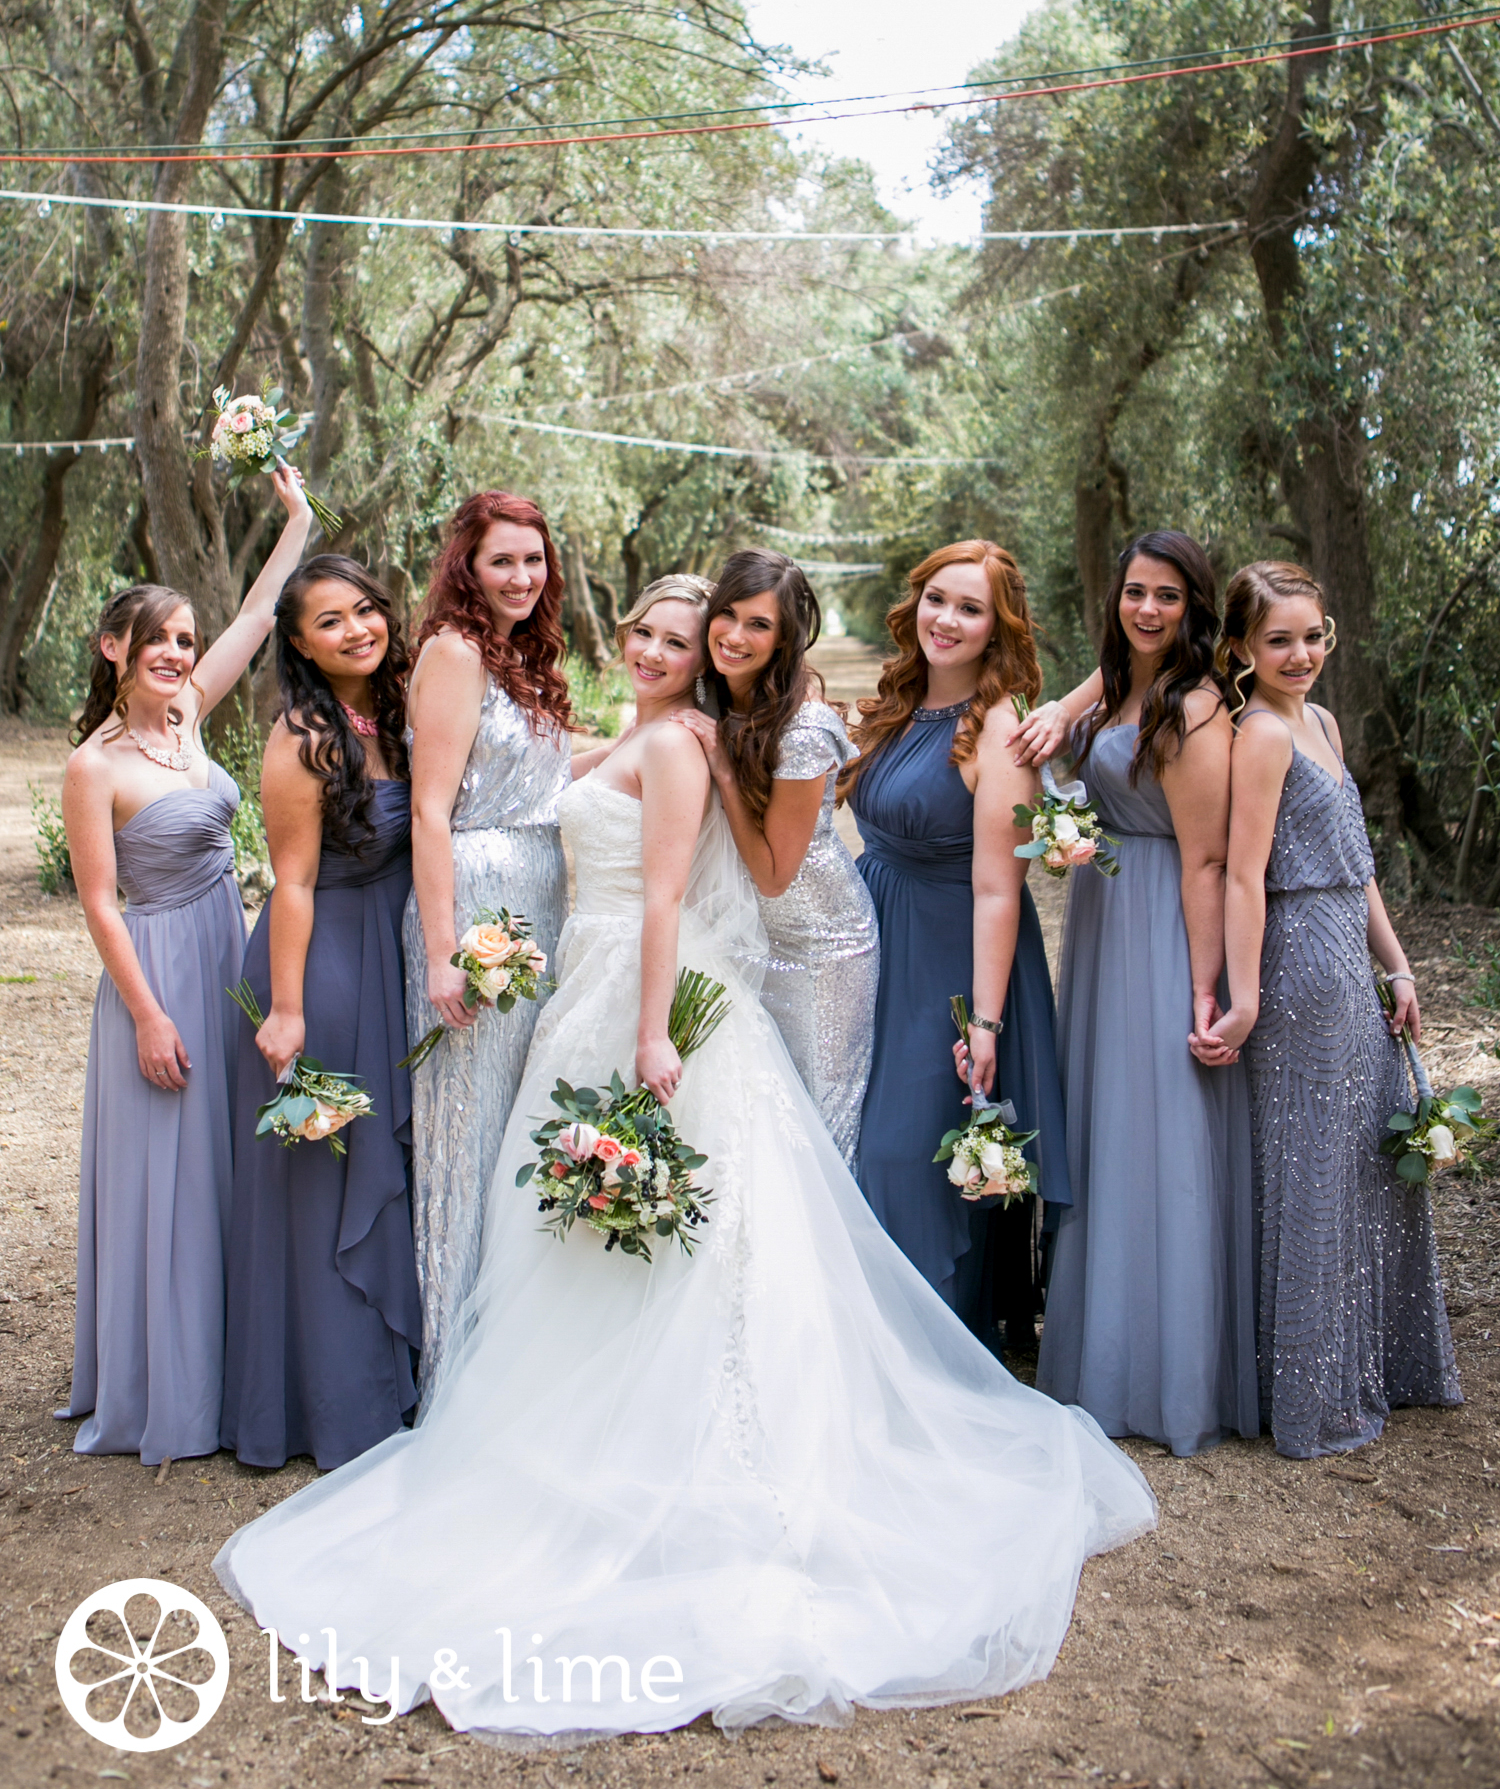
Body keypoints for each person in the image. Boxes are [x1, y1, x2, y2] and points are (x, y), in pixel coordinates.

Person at [213, 573, 1155, 1738]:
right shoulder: (638, 734)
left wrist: (655, 1034)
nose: (663, 650)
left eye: (683, 636)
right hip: (588, 989)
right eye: (651, 633)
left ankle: (690, 1451)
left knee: (694, 1236)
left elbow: (669, 897)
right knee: (588, 1233)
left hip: (652, 999)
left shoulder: (681, 747)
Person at [59, 469, 314, 1464]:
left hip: (228, 950)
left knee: (225, 1164)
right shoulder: (95, 766)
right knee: (166, 1175)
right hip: (156, 966)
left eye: (184, 640)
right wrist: (148, 1016)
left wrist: (298, 520)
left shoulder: (190, 718)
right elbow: (95, 900)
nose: (175, 653)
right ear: (112, 649)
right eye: (157, 638)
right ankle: (162, 1384)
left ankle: (231, 1356)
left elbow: (259, 611)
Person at [1196, 560, 1460, 1457]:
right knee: (1313, 1162)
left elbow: (1360, 863)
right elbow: (1243, 871)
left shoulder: (1323, 722)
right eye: (1278, 640)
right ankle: (1308, 1387)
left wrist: (1400, 968)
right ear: (1241, 649)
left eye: (1313, 636)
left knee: (1363, 1158)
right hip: (1301, 959)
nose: (1301, 654)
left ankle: (1381, 1358)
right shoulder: (1262, 734)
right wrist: (1247, 995)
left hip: (1352, 945)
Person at [1022, 533, 1259, 1457]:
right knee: (1108, 1127)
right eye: (1134, 592)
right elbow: (1095, 705)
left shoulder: (1197, 709)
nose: (1149, 609)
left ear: (1196, 607)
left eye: (1167, 596)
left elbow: (1205, 859)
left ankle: (1164, 1371)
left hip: (1162, 929)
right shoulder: (1122, 685)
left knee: (1159, 1132)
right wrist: (1070, 703)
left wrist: (1204, 987)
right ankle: (1098, 1349)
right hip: (1102, 921)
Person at [220, 556, 422, 1471]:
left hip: (388, 946)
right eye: (330, 621)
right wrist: (290, 1011)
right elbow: (292, 883)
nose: (357, 630)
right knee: (328, 1179)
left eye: (366, 610)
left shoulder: (394, 713)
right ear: (298, 643)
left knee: (391, 1164)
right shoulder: (301, 736)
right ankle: (327, 1406)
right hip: (325, 960)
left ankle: (391, 1378)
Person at [842, 540, 1068, 1354]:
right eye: (938, 599)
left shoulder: (998, 730)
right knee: (854, 1138)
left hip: (952, 961)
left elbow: (998, 887)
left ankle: (931, 1348)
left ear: (997, 627)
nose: (947, 619)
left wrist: (985, 1023)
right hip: (875, 944)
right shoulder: (899, 702)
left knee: (906, 1154)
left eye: (971, 608)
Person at [403, 491, 576, 1404]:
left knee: (516, 1116)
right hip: (473, 904)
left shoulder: (522, 656)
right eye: (502, 560)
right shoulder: (455, 651)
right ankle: (458, 1372)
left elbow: (546, 779)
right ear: (466, 564)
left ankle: (516, 1352)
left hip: (538, 897)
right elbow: (431, 808)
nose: (521, 576)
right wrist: (442, 951)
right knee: (467, 1132)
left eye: (534, 560)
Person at [680, 547, 878, 1166]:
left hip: (822, 949)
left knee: (816, 1131)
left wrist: (726, 773)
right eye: (728, 614)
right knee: (751, 1124)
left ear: (786, 639)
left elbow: (772, 875)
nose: (736, 636)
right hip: (740, 936)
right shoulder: (709, 699)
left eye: (759, 625)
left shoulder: (804, 728)